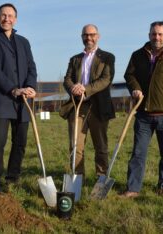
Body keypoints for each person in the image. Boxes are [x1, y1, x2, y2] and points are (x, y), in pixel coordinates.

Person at [121, 21, 163, 198]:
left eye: (160, 34)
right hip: (143, 115)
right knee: (138, 153)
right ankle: (133, 189)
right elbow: (129, 75)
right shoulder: (137, 55)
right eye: (154, 34)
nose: (157, 37)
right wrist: (135, 87)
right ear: (149, 35)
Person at [0, 3, 37, 194]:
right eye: (3, 15)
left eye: (10, 15)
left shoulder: (24, 42)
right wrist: (13, 89)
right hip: (2, 100)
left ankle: (12, 179)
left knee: (20, 142)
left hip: (24, 102)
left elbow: (31, 67)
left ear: (16, 19)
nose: (7, 19)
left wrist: (30, 87)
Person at [59, 24, 115, 178]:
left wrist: (85, 88)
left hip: (99, 106)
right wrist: (74, 88)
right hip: (77, 106)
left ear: (98, 36)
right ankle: (77, 177)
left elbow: (106, 80)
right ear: (82, 37)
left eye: (92, 34)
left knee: (101, 146)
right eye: (85, 35)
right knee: (75, 145)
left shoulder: (108, 57)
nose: (88, 38)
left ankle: (101, 177)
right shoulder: (75, 59)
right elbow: (67, 79)